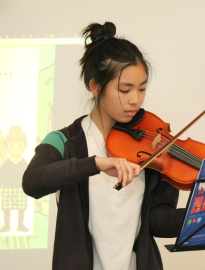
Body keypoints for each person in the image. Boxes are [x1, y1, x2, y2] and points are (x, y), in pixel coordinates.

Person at [23, 22, 185, 270]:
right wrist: (96, 163)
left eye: (142, 88)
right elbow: (32, 182)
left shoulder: (152, 145)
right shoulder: (65, 141)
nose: (136, 99)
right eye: (125, 89)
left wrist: (201, 215)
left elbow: (156, 221)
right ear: (95, 87)